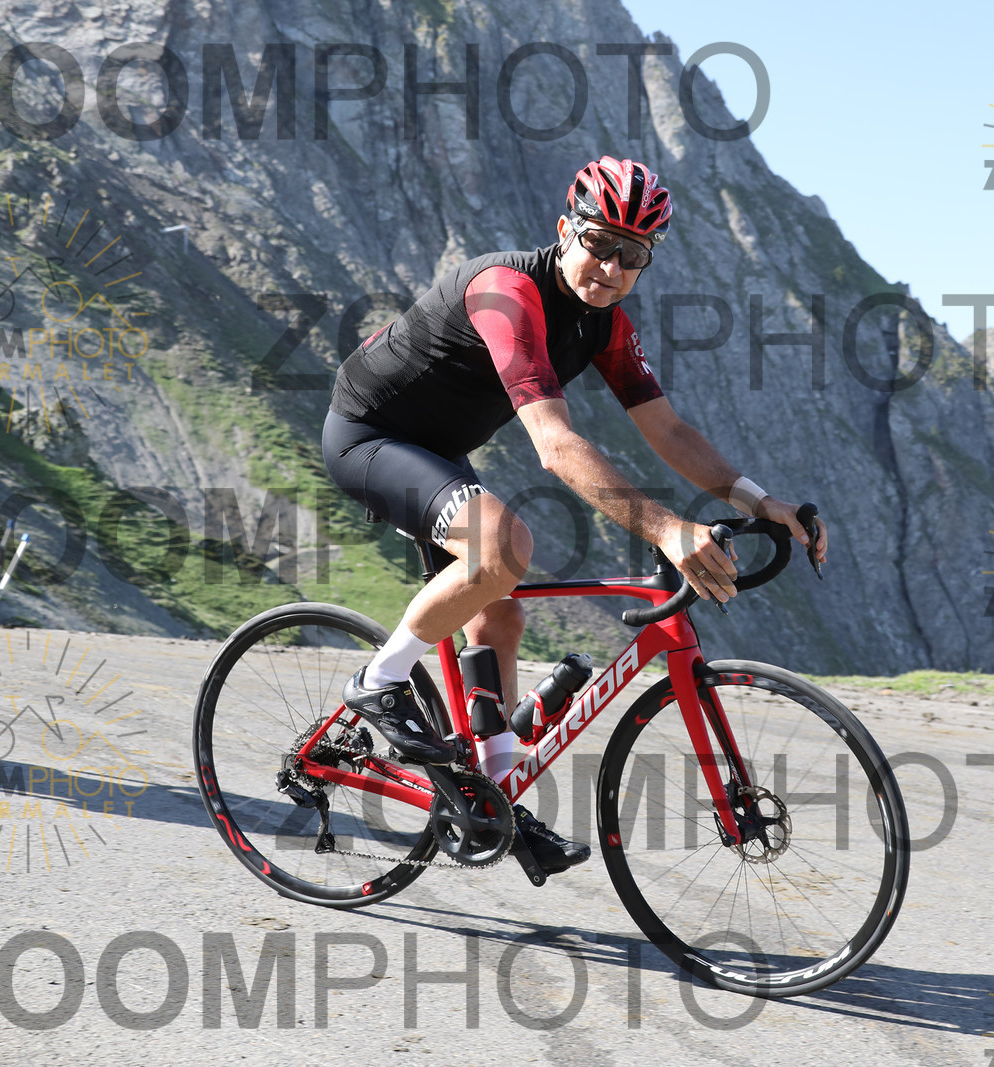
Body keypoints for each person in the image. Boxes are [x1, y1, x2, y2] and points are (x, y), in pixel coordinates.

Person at [322, 156, 828, 873]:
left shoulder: (605, 326)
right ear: (566, 230)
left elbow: (669, 431)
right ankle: (377, 683)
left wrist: (758, 500)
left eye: (633, 255)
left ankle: (493, 799)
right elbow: (555, 447)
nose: (611, 267)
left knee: (499, 616)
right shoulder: (505, 292)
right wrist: (666, 529)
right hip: (369, 437)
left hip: (437, 451)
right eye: (599, 242)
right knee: (503, 547)